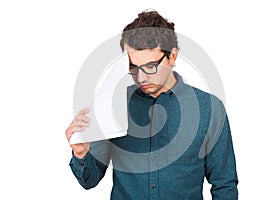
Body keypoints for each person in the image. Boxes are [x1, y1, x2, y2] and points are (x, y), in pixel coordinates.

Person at [65, 10, 238, 200]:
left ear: (172, 57)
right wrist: (81, 152)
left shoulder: (210, 109)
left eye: (150, 66)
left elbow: (224, 184)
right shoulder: (112, 104)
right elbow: (89, 180)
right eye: (133, 67)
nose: (141, 77)